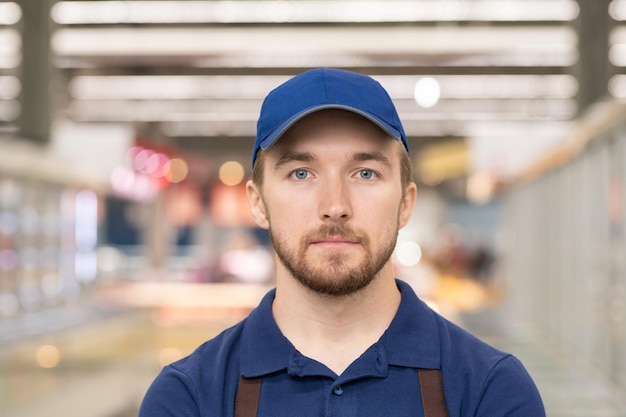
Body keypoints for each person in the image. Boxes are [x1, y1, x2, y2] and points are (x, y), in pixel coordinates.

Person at [138, 68, 545, 417]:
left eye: (365, 173)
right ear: (258, 203)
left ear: (405, 203)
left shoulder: (490, 392)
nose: (335, 206)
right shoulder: (189, 398)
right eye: (301, 173)